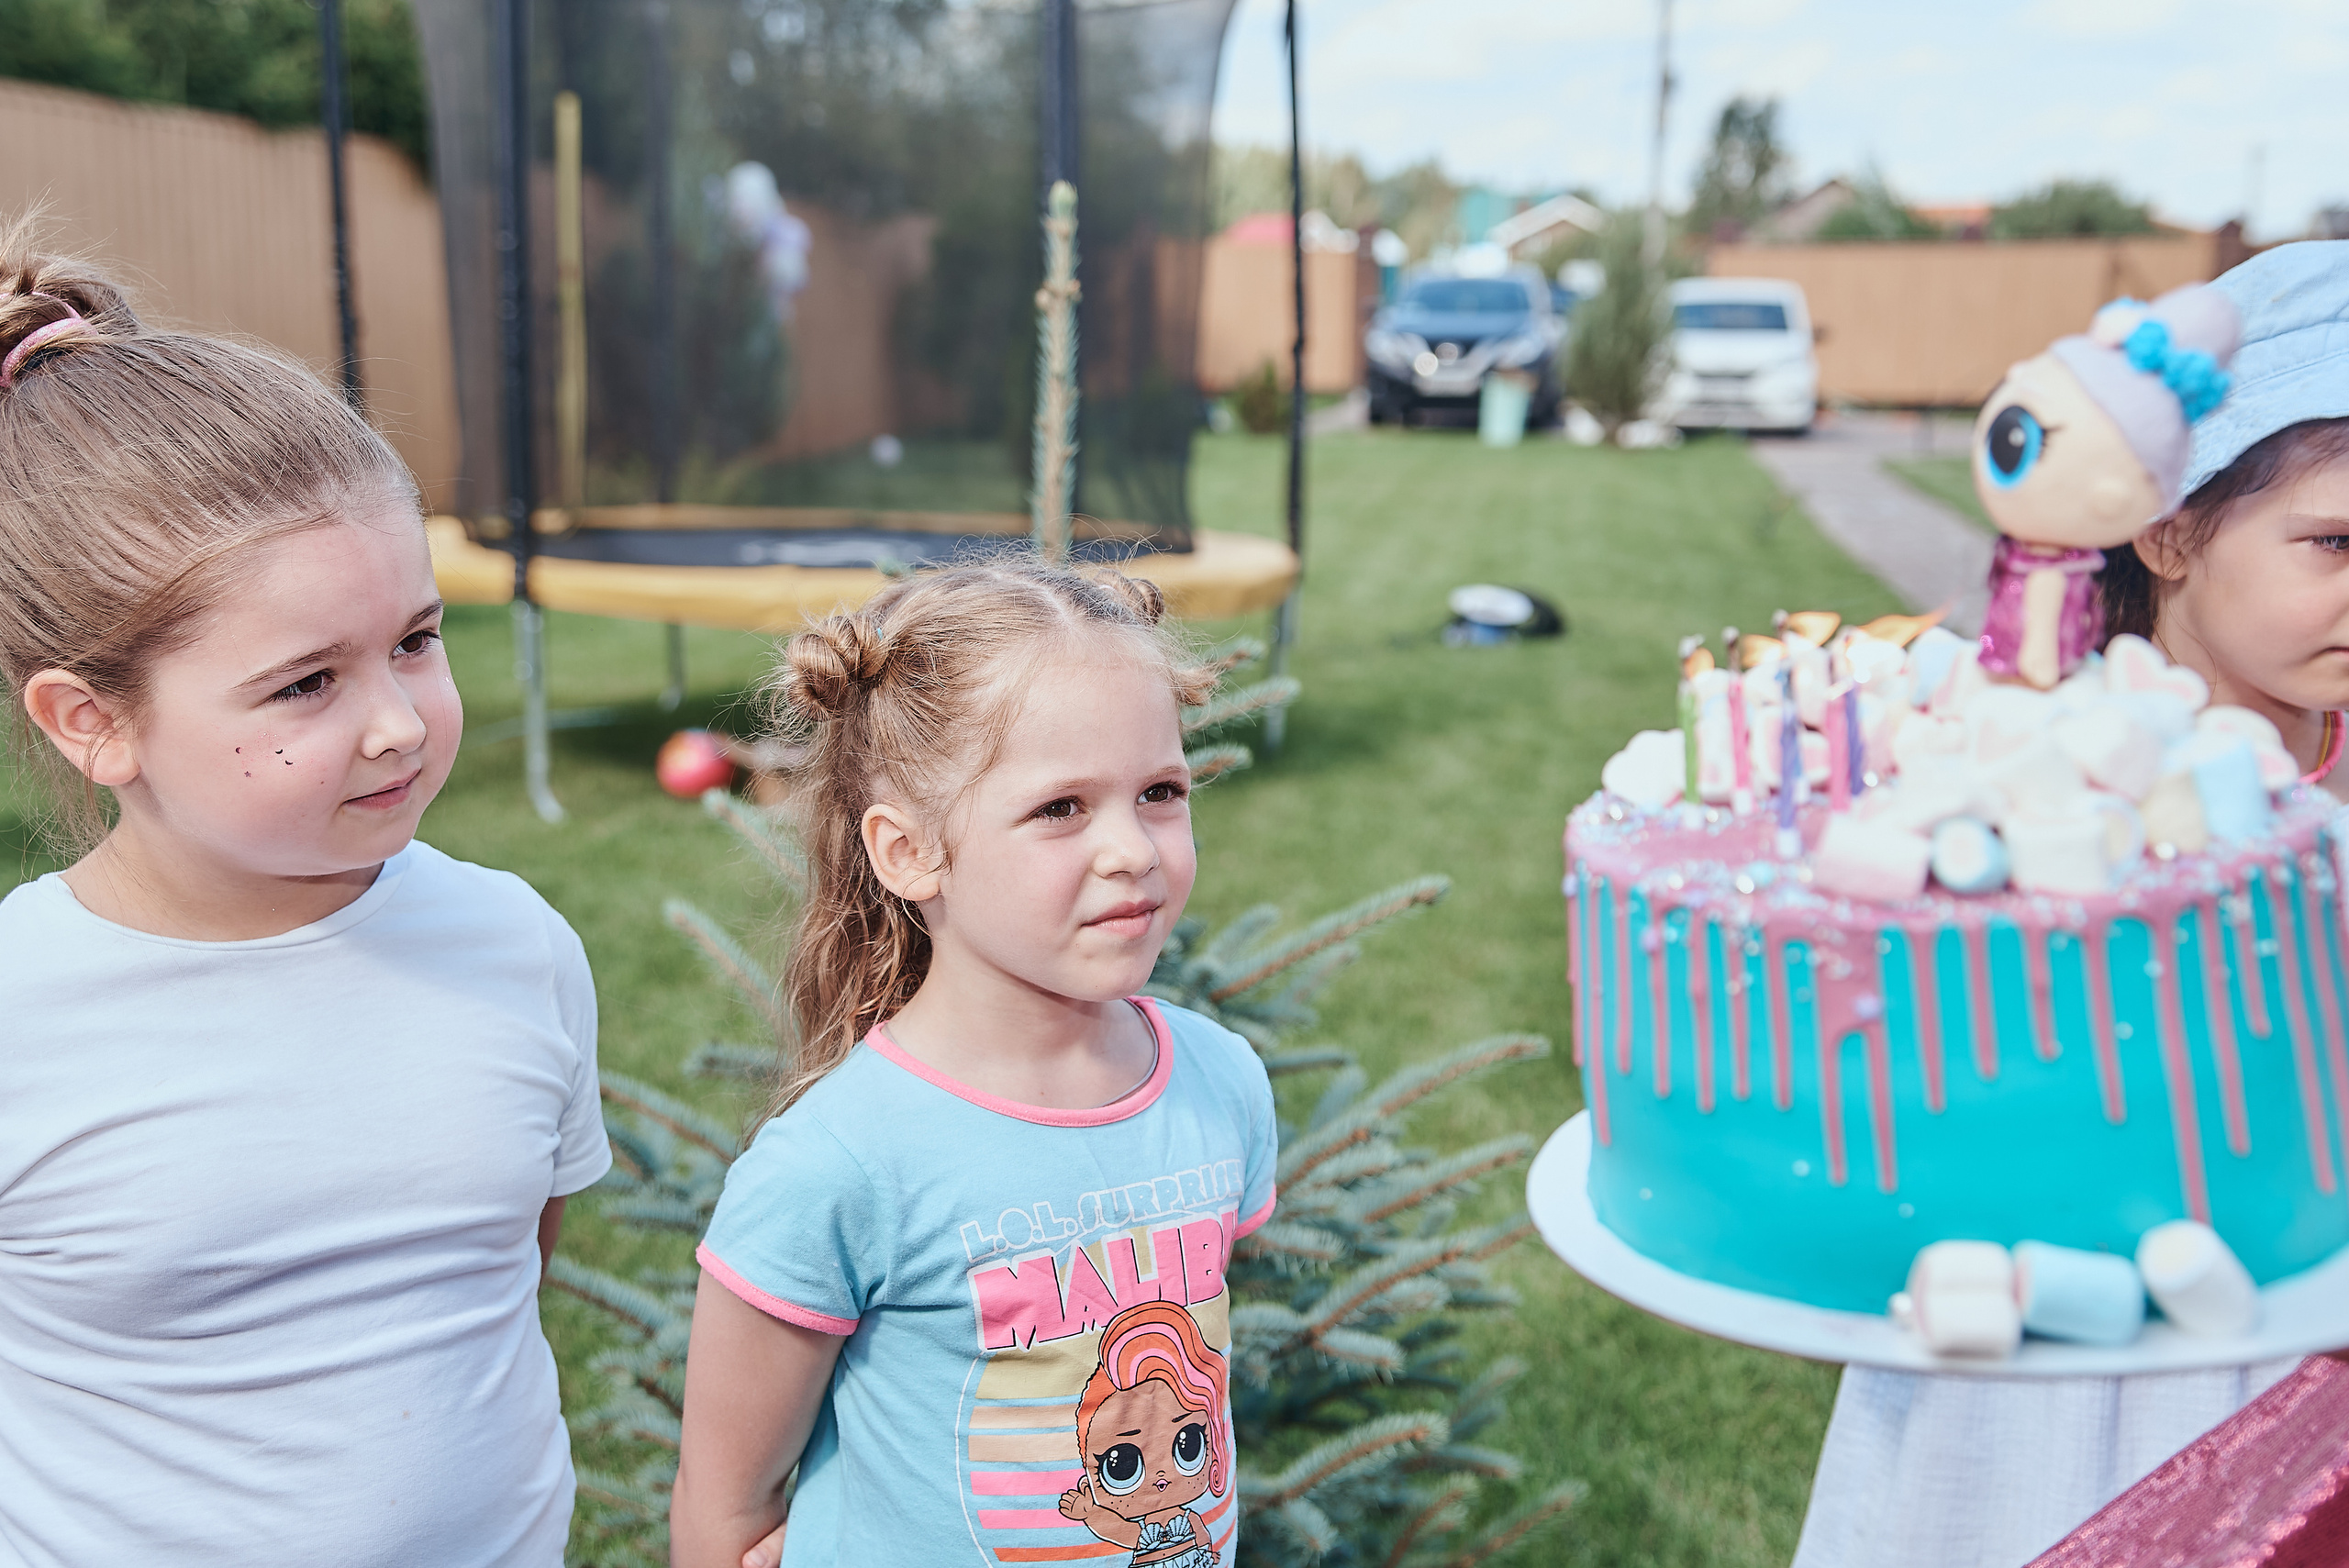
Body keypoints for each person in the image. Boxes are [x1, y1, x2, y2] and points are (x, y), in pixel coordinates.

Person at [0, 227, 608, 1565]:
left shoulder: (514, 945)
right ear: (93, 720)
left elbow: (507, 1267)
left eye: (417, 641)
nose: (398, 724)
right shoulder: (17, 1014)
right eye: (307, 682)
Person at [1793, 239, 2349, 1568]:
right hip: (2047, 1343)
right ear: (2166, 527)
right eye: (2333, 541)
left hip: (2298, 1328)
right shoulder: (2005, 766)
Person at [669, 561, 1279, 1568]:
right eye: (1061, 808)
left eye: (1160, 792)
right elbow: (723, 1507)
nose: (1131, 848)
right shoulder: (839, 1163)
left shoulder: (1219, 1082)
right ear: (908, 852)